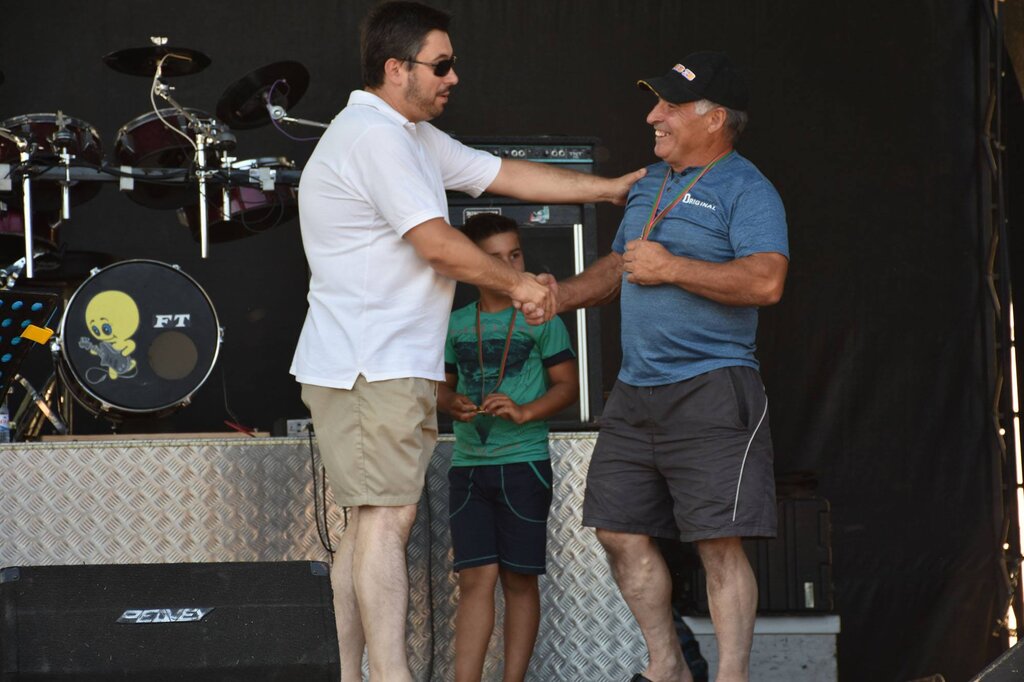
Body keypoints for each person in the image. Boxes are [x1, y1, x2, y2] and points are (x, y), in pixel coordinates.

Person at [289, 2, 642, 680]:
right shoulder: (375, 138)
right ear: (396, 69)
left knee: (368, 524)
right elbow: (438, 245)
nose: (454, 77)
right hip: (370, 364)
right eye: (441, 65)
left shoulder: (412, 137)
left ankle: (356, 675)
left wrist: (607, 190)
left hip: (382, 366)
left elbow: (504, 174)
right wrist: (521, 285)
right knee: (385, 521)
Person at [545, 52, 789, 682]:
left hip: (712, 386)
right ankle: (669, 667)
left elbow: (766, 281)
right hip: (635, 391)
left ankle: (731, 677)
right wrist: (559, 296)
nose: (653, 116)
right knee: (615, 529)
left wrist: (673, 267)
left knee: (717, 544)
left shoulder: (748, 189)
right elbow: (620, 265)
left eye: (670, 106)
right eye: (655, 103)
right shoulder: (650, 182)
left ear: (716, 120)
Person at [437, 213, 578, 682]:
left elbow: (567, 386)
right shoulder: (454, 323)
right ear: (472, 264)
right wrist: (450, 403)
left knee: (519, 580)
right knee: (475, 579)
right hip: (468, 467)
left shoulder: (540, 317)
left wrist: (524, 411)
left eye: (515, 254)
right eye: (495, 258)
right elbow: (439, 387)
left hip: (524, 465)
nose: (510, 265)